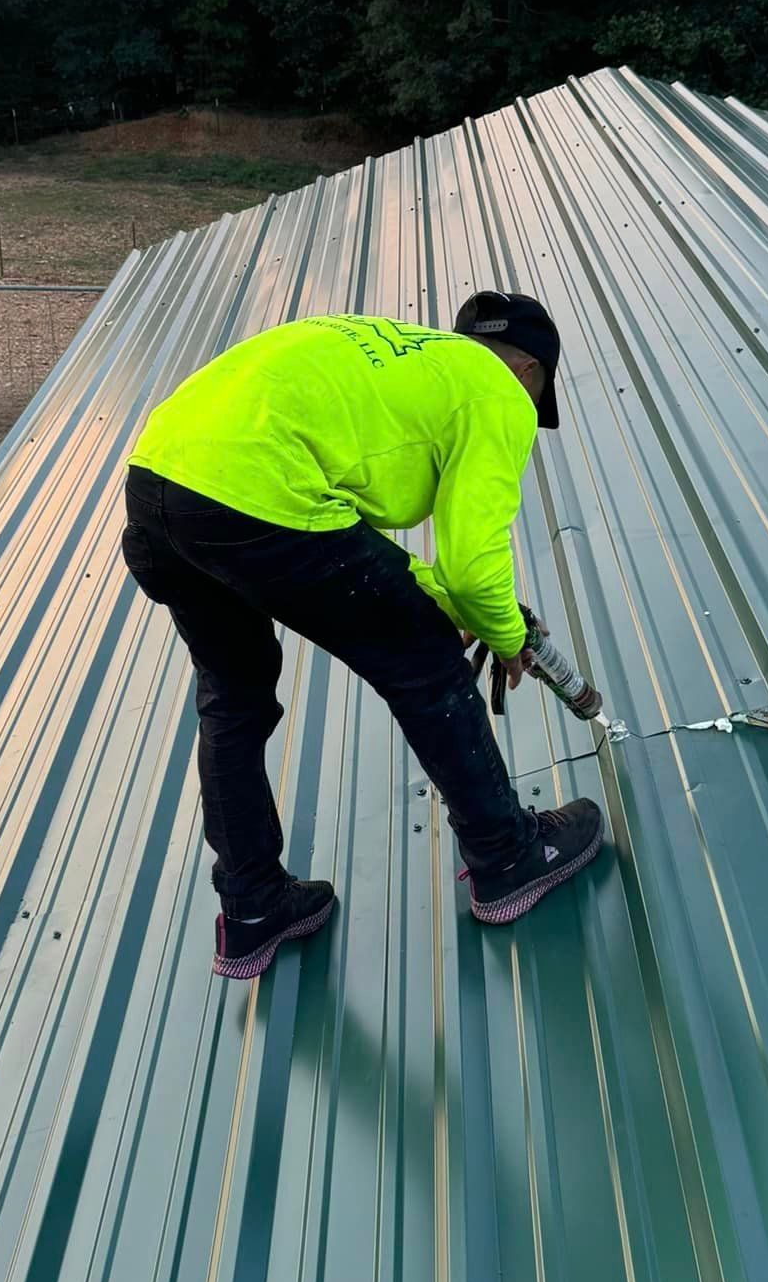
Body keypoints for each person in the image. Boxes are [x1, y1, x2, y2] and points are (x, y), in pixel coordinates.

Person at [120, 291, 606, 980]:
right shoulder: (499, 392)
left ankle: (253, 906)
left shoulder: (401, 362)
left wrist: (455, 602)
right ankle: (507, 857)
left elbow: (359, 548)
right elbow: (470, 561)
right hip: (256, 490)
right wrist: (502, 634)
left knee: (233, 695)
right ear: (530, 371)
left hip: (159, 480)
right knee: (427, 662)